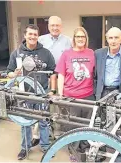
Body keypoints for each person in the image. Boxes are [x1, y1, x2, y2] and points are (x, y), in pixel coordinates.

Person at [6, 24, 56, 160]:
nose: (33, 37)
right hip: (24, 94)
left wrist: (52, 90)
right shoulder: (16, 53)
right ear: (25, 35)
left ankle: (46, 146)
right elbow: (8, 73)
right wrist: (14, 74)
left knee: (44, 121)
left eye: (35, 34)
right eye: (30, 34)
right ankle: (25, 147)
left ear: (38, 36)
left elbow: (53, 72)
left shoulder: (46, 53)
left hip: (42, 93)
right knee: (25, 122)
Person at [55, 26, 96, 162]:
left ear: (86, 39)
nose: (80, 39)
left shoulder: (91, 53)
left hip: (88, 95)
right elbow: (60, 74)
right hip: (71, 96)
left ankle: (84, 148)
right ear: (74, 39)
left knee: (87, 125)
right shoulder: (67, 54)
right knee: (72, 126)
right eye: (78, 37)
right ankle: (73, 151)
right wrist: (60, 94)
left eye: (82, 37)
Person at [31, 16, 72, 146]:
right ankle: (36, 134)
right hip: (43, 78)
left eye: (57, 25)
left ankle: (59, 133)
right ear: (48, 26)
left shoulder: (68, 41)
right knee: (41, 106)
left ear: (61, 26)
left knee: (61, 106)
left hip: (61, 78)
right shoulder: (41, 39)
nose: (55, 28)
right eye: (52, 25)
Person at [94, 27, 121, 102]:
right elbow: (94, 78)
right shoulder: (98, 54)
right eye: (110, 38)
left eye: (116, 37)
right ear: (107, 39)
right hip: (102, 94)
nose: (113, 41)